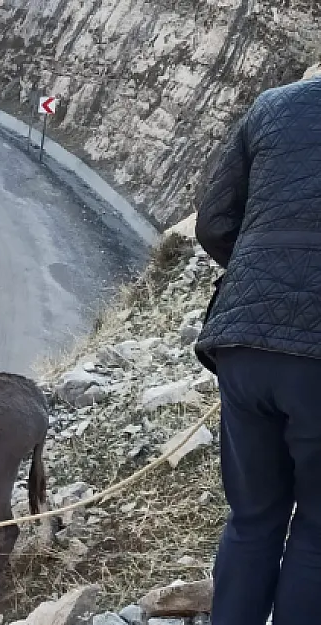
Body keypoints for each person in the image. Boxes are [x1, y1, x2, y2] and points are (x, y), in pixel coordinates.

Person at [193, 67, 321, 625]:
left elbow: (215, 222)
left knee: (252, 519)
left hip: (244, 343)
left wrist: (263, 282)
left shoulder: (273, 105)